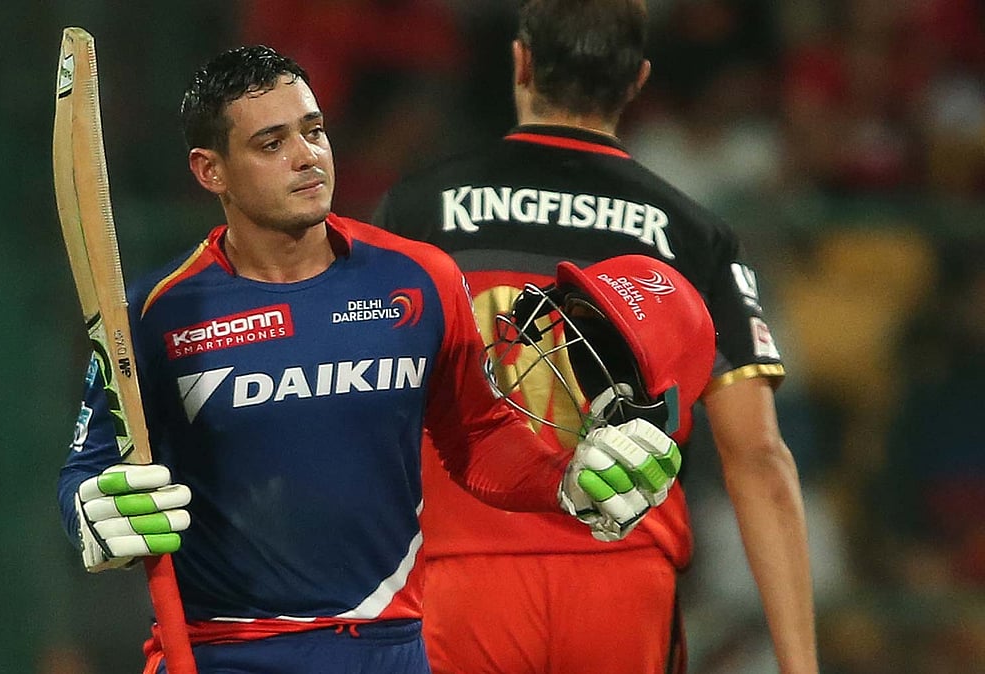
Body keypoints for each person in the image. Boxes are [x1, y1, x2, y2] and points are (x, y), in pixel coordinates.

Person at [56, 44, 682, 674]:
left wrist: (563, 480)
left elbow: (480, 435)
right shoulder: (156, 311)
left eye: (314, 131)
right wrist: (93, 515)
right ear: (210, 171)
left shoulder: (421, 278)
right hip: (223, 653)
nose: (307, 157)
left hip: (389, 649)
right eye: (271, 144)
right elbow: (89, 468)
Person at [372, 1, 820, 672]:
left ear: (521, 62)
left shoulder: (414, 211)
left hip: (463, 580)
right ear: (637, 80)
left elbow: (369, 408)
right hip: (623, 579)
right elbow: (757, 459)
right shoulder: (694, 234)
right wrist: (800, 664)